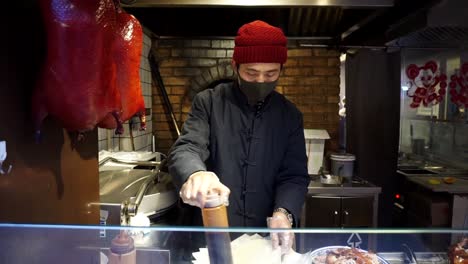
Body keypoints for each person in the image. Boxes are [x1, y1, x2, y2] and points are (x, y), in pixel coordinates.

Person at [167, 20, 309, 254]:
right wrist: (195, 173)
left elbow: (294, 175)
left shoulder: (290, 115)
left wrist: (284, 213)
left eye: (271, 73)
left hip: (264, 238)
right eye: (251, 73)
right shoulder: (209, 102)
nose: (261, 81)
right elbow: (187, 147)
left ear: (281, 69)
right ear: (235, 65)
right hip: (210, 231)